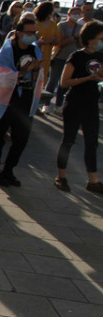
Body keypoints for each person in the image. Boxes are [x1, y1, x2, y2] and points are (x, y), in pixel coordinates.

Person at [0, 16, 43, 187]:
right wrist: (27, 69)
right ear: (18, 33)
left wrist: (36, 71)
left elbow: (39, 70)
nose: (32, 36)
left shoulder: (35, 49)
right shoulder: (8, 50)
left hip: (26, 97)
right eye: (29, 32)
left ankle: (9, 169)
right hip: (7, 98)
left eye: (35, 33)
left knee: (21, 138)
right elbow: (2, 75)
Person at [54, 20, 103, 193]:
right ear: (89, 39)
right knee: (68, 140)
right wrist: (88, 79)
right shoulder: (77, 56)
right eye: (99, 38)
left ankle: (93, 179)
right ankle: (61, 176)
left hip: (91, 104)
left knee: (91, 143)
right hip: (75, 102)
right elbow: (64, 83)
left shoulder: (100, 56)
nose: (101, 41)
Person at [48, 7, 83, 115]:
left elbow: (81, 45)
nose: (76, 15)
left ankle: (59, 105)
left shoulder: (81, 27)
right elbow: (60, 43)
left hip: (73, 59)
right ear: (69, 14)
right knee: (53, 81)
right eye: (74, 13)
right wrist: (74, 37)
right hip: (60, 57)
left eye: (78, 13)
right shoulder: (62, 25)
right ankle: (46, 104)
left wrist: (80, 39)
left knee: (64, 83)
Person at [34, 2, 61, 114]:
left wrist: (54, 41)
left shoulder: (53, 24)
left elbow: (57, 39)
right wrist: (44, 41)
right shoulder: (36, 21)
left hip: (47, 54)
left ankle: (37, 104)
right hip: (35, 52)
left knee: (43, 77)